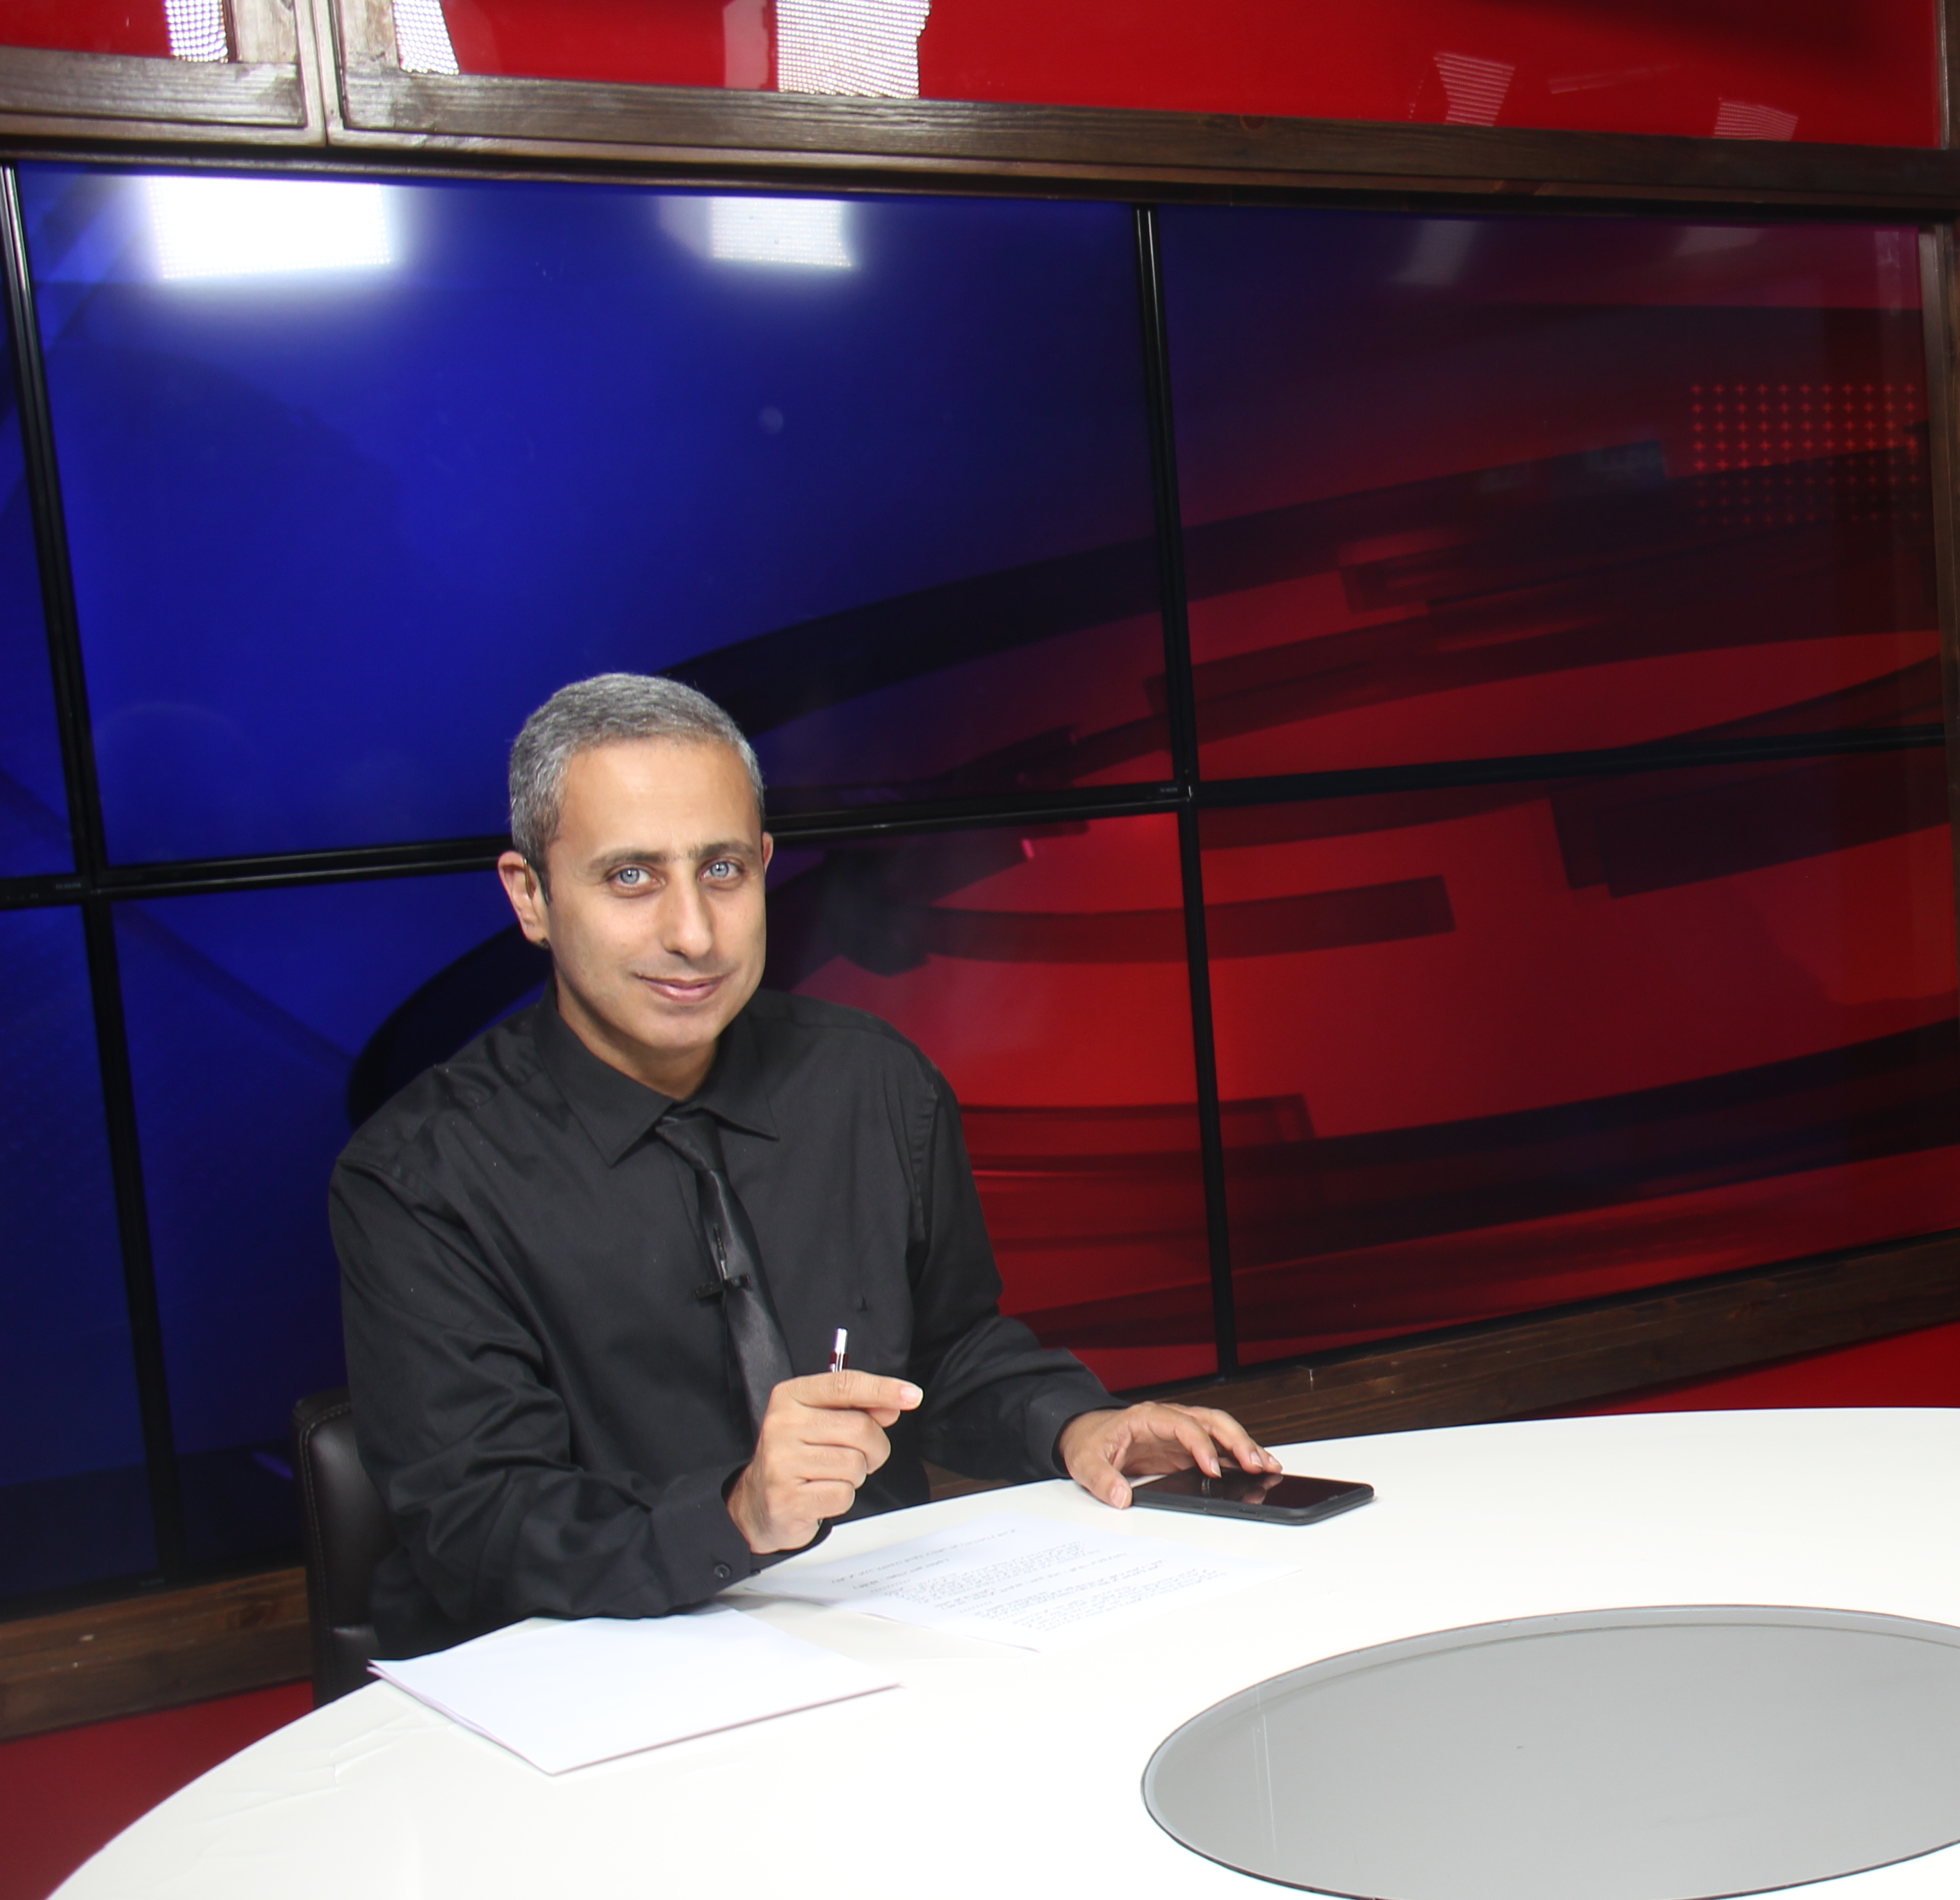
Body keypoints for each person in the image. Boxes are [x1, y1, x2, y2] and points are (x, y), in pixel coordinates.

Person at [333, 673, 1273, 1658]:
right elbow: (477, 1525)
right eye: (631, 878)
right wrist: (738, 1514)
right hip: (581, 1667)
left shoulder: (875, 1081)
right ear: (531, 896)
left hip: (873, 1632)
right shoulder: (418, 1175)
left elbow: (947, 1351)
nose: (694, 934)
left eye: (723, 870)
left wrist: (1077, 1426)